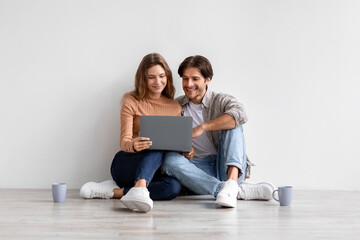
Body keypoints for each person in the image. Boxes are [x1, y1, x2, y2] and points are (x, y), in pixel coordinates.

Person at [161, 55, 275, 208]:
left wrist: (203, 127)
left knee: (234, 123)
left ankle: (232, 182)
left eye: (195, 79)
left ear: (207, 80)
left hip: (226, 164)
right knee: (169, 160)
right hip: (197, 169)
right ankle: (231, 190)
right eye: (185, 79)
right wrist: (184, 151)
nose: (189, 84)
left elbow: (241, 114)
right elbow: (170, 138)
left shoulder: (220, 100)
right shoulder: (177, 105)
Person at [79, 53, 182, 212]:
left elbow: (176, 143)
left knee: (173, 188)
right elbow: (124, 141)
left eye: (162, 76)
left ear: (167, 77)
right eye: (151, 77)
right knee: (154, 148)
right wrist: (133, 144)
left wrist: (186, 150)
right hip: (127, 163)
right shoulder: (131, 101)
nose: (158, 82)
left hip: (154, 170)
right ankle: (139, 187)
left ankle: (115, 192)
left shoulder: (175, 107)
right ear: (143, 78)